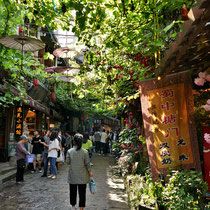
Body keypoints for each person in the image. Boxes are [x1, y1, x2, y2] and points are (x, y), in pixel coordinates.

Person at [66, 134, 93, 210]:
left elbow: (67, 162)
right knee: (82, 192)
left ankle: (73, 206)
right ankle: (81, 207)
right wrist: (90, 172)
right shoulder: (85, 152)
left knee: (72, 191)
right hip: (83, 175)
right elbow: (87, 163)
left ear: (73, 141)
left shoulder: (69, 151)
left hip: (73, 175)